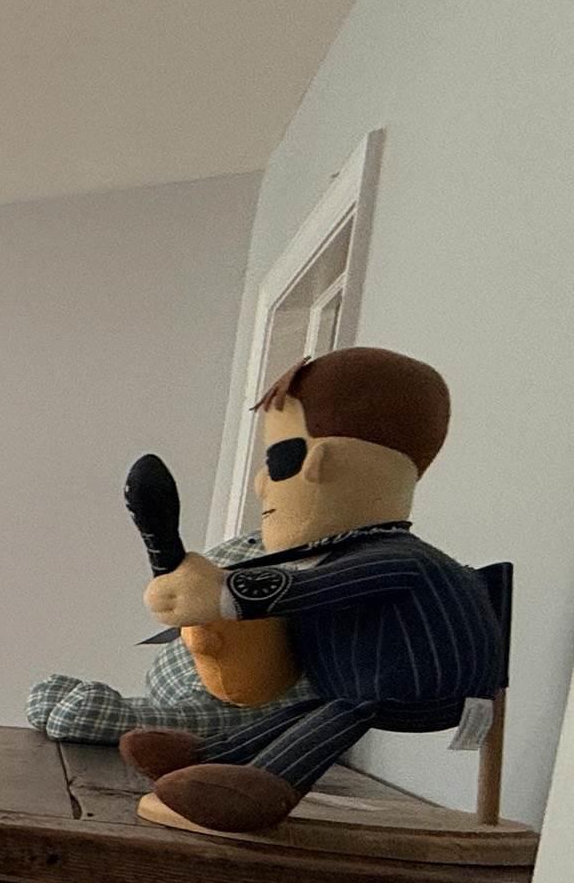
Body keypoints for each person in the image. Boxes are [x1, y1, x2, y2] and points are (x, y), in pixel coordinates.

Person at [122, 346, 503, 835]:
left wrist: (224, 593)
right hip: (353, 689)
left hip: (423, 694)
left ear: (322, 461)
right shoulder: (354, 552)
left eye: (279, 459)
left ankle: (265, 786)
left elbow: (309, 590)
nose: (262, 483)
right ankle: (208, 755)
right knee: (312, 706)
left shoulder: (400, 558)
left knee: (343, 709)